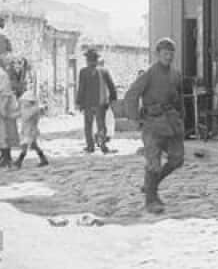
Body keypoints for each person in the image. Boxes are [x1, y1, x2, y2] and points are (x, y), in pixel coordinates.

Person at [124, 37, 185, 214]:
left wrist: (182, 118)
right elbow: (131, 95)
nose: (168, 56)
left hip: (172, 123)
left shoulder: (176, 74)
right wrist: (135, 118)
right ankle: (151, 200)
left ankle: (151, 184)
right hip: (152, 123)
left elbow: (179, 99)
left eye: (171, 53)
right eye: (165, 53)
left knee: (177, 159)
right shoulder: (149, 74)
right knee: (154, 163)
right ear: (158, 54)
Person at [76, 47, 117, 154]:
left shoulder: (83, 72)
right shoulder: (104, 71)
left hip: (88, 104)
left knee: (88, 126)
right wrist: (113, 99)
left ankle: (90, 146)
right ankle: (103, 145)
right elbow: (111, 86)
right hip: (101, 103)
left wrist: (79, 102)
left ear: (87, 59)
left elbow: (81, 88)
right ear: (97, 59)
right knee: (101, 125)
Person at [15, 92, 49, 168]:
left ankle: (19, 161)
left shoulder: (33, 110)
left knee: (25, 145)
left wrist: (21, 111)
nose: (23, 103)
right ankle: (43, 159)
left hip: (31, 131)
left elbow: (27, 116)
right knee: (34, 146)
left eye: (24, 101)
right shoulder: (27, 109)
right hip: (26, 130)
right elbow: (19, 115)